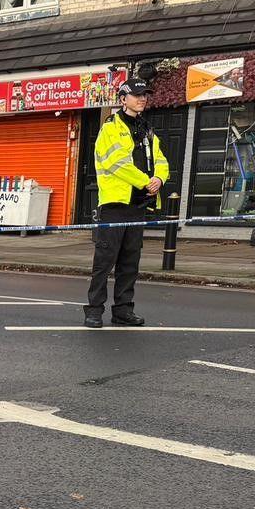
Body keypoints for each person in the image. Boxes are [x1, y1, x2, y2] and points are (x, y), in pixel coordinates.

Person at [86, 78, 169, 328]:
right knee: (104, 261)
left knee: (130, 263)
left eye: (145, 95)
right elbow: (117, 164)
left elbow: (161, 159)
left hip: (138, 205)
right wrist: (146, 181)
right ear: (123, 99)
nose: (142, 98)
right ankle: (94, 310)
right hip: (115, 205)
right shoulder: (111, 127)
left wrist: (159, 179)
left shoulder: (147, 129)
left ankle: (123, 310)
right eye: (136, 95)